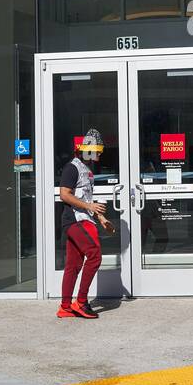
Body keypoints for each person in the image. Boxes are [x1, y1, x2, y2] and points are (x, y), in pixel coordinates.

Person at [57, 129, 115, 320]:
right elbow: (64, 194)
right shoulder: (72, 168)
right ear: (86, 150)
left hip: (83, 219)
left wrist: (101, 218)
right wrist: (89, 206)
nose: (99, 154)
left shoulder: (87, 170)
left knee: (73, 265)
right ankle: (81, 302)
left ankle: (65, 307)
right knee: (95, 256)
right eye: (97, 151)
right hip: (75, 220)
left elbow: (87, 199)